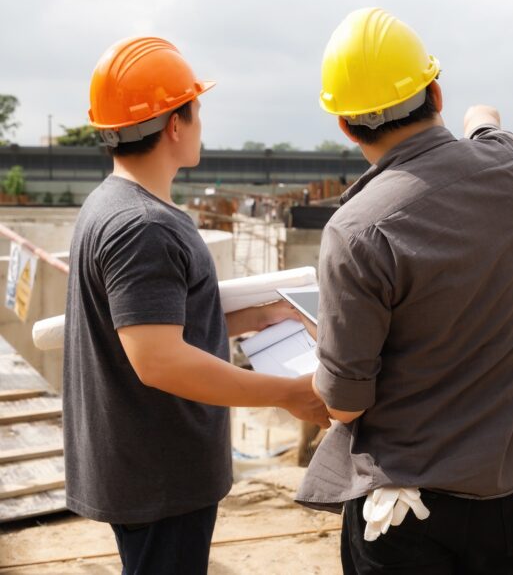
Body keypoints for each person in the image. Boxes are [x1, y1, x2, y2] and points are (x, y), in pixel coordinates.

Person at [296, 8, 513, 574]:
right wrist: (478, 119)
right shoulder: (511, 167)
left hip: (407, 518)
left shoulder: (356, 229)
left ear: (345, 126)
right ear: (434, 91)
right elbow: (486, 120)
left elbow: (345, 402)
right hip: (510, 501)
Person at [64, 36, 329, 575]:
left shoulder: (111, 205)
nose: (201, 121)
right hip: (160, 474)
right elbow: (159, 360)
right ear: (174, 124)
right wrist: (284, 394)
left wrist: (261, 316)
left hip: (145, 466)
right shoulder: (144, 227)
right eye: (196, 108)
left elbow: (152, 326)